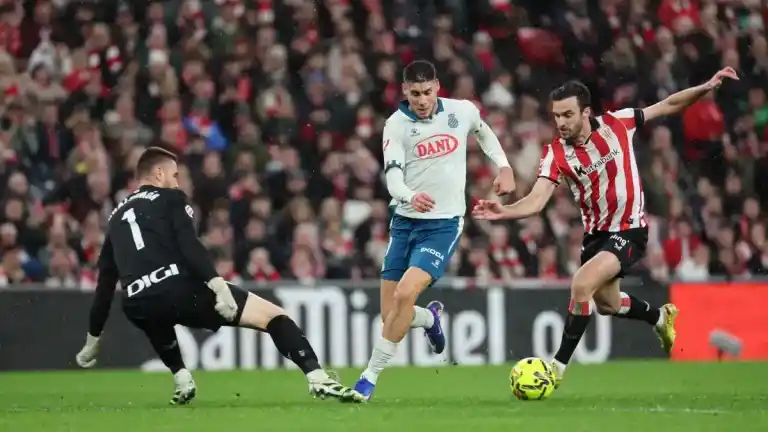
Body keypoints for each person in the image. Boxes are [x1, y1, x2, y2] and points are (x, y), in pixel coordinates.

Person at [472, 67, 739, 388]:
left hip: (629, 231)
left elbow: (667, 105)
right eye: (556, 116)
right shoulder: (556, 153)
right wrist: (504, 211)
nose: (561, 122)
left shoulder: (617, 123)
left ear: (585, 112)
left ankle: (555, 370)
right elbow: (536, 200)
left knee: (581, 284)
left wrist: (705, 87)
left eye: (568, 114)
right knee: (608, 305)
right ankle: (659, 317)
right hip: (596, 237)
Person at [75, 147, 364, 404]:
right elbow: (189, 245)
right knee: (276, 317)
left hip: (136, 302)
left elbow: (105, 282)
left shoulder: (115, 218)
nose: (177, 182)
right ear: (159, 174)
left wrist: (92, 339)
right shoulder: (170, 198)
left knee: (155, 313)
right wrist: (218, 286)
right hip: (177, 291)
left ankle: (182, 378)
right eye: (174, 175)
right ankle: (317, 377)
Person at [354, 60, 516, 399]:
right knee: (390, 315)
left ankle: (369, 377)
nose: (422, 100)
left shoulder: (461, 111)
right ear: (404, 91)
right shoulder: (396, 125)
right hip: (405, 222)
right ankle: (429, 319)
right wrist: (410, 196)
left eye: (427, 92)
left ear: (437, 87)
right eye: (415, 93)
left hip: (443, 224)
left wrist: (503, 166)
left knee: (404, 294)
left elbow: (483, 131)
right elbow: (393, 177)